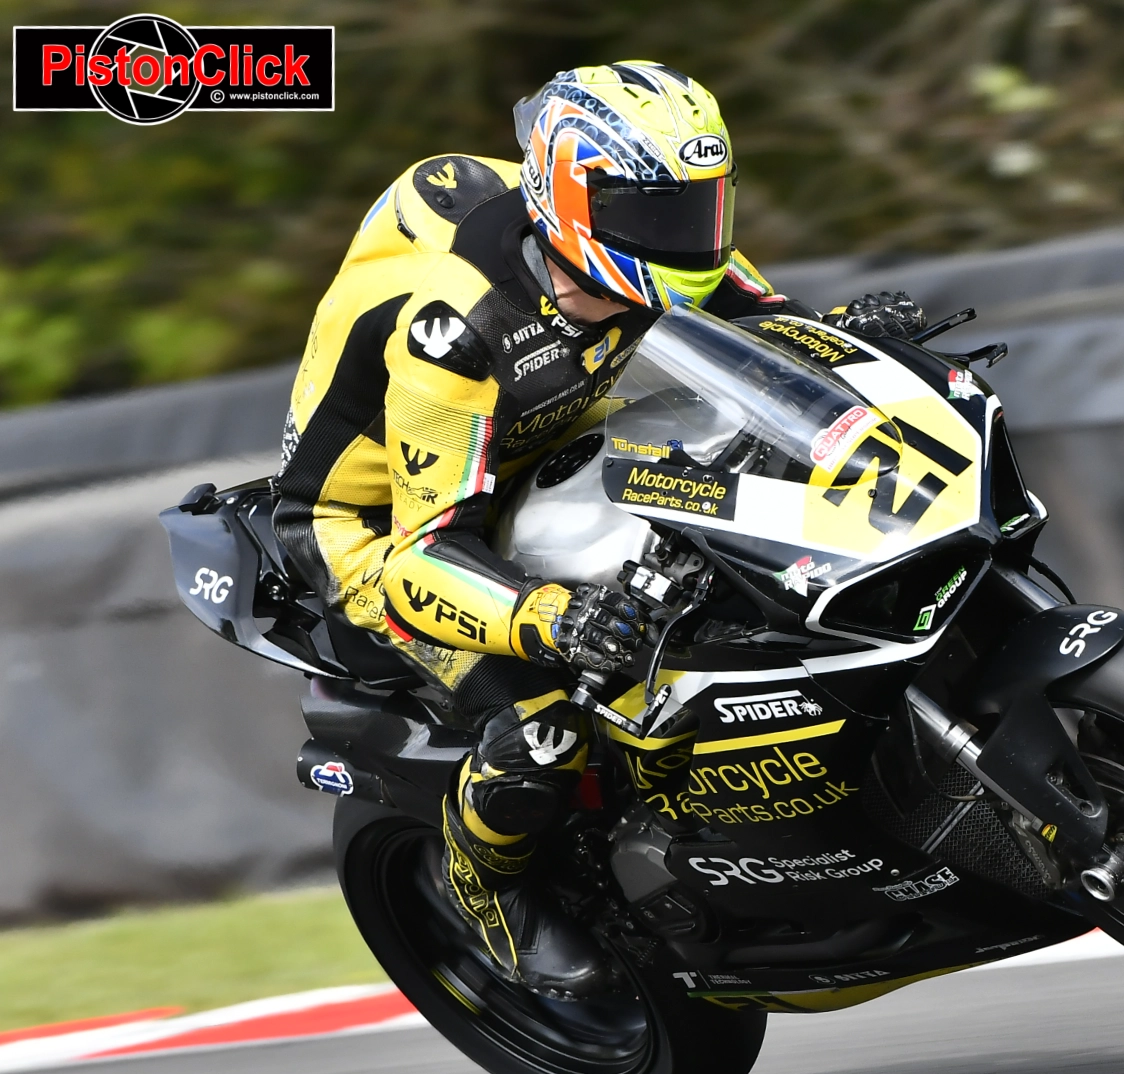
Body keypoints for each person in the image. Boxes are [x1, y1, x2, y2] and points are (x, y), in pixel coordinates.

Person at [274, 62, 925, 996]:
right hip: (371, 532)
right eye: (660, 219)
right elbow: (424, 548)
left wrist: (855, 339)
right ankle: (487, 889)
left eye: (701, 210)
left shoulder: (649, 256)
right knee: (543, 725)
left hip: (538, 454)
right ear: (573, 205)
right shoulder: (455, 330)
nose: (690, 242)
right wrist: (550, 618)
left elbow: (774, 337)